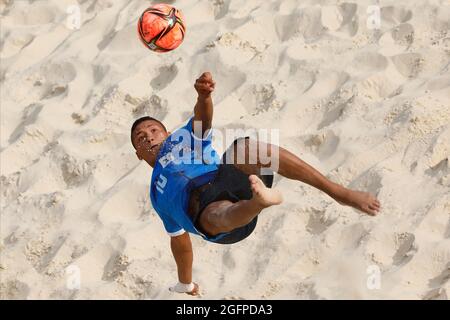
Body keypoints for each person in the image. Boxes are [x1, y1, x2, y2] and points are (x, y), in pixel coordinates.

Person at [130, 72, 381, 296]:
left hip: (227, 180)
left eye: (154, 130)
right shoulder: (156, 192)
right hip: (216, 220)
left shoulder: (182, 138)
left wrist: (204, 97)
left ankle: (337, 191)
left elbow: (202, 120)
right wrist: (186, 283)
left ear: (166, 132)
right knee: (214, 213)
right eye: (141, 138)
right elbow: (180, 244)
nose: (149, 137)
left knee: (246, 147)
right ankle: (258, 203)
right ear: (139, 154)